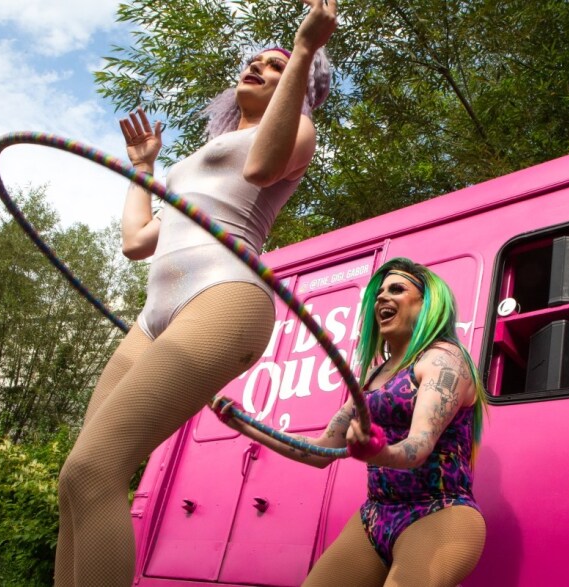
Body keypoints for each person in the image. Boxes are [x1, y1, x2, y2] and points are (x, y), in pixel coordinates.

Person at [53, 2, 337, 585]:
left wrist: (305, 48)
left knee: (95, 469)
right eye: (254, 61)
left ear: (302, 86)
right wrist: (144, 169)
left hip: (224, 296)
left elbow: (260, 169)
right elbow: (138, 242)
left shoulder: (297, 130)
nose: (258, 66)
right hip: (153, 315)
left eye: (275, 66)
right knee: (73, 482)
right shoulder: (194, 160)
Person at [213, 257, 489, 587]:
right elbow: (319, 452)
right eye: (379, 293)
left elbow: (419, 445)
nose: (382, 298)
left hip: (439, 512)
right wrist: (248, 427)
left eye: (397, 289)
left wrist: (379, 453)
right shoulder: (372, 379)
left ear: (427, 302)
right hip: (375, 516)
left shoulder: (444, 359)